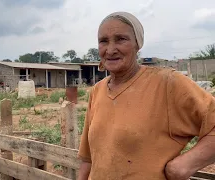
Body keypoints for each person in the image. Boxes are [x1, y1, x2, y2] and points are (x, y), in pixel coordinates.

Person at [77, 11, 215, 180]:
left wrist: (184, 165)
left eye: (121, 39)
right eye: (103, 41)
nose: (110, 49)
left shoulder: (167, 83)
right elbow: (88, 159)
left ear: (138, 44)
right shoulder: (97, 91)